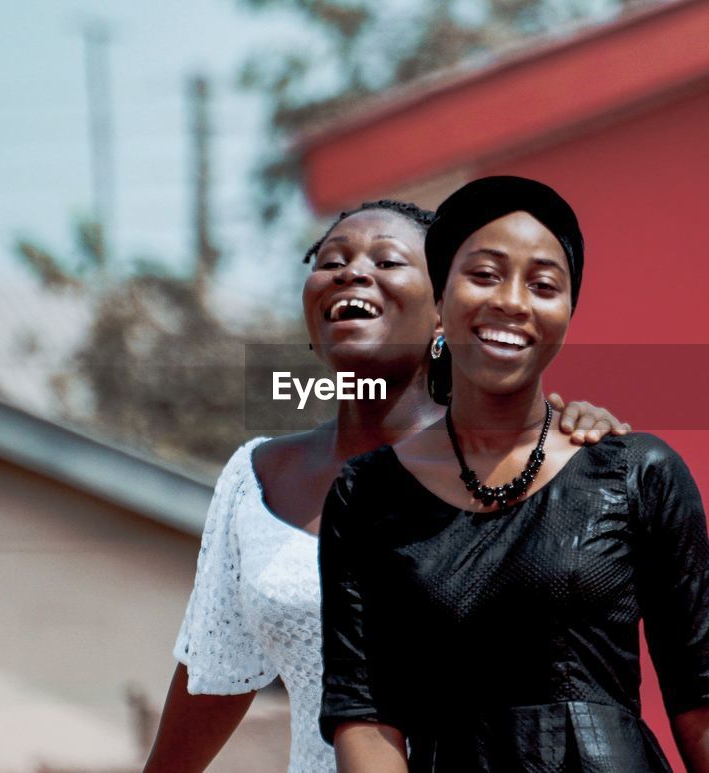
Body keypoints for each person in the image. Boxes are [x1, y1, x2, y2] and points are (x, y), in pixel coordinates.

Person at [143, 199, 630, 773]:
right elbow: (214, 676)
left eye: (388, 261)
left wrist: (565, 441)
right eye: (332, 261)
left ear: (445, 310)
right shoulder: (257, 477)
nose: (353, 272)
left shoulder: (519, 464)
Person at [320, 177, 709, 772]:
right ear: (440, 303)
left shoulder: (638, 472)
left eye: (544, 285)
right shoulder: (368, 493)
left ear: (567, 313)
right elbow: (366, 716)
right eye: (484, 275)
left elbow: (706, 701)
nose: (514, 302)